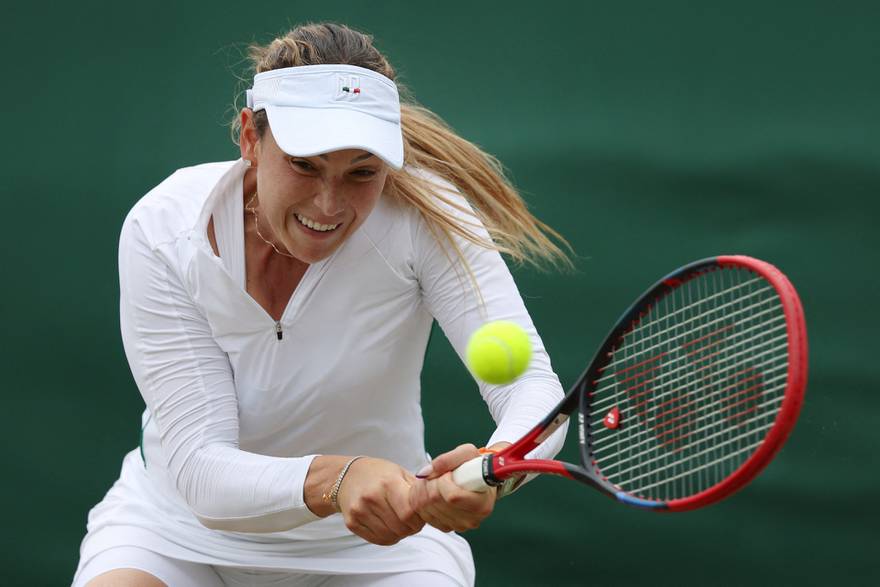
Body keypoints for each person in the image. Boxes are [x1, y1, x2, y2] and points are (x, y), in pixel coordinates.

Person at [72, 22, 573, 587]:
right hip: (176, 534)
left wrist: (495, 469)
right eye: (305, 165)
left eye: (362, 173)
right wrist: (339, 478)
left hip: (381, 551)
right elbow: (200, 469)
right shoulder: (164, 229)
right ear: (249, 139)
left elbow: (533, 388)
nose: (329, 204)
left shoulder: (426, 219)